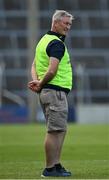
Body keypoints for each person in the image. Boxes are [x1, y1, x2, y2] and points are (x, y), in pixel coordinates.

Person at [28, 10, 74, 177]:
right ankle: (49, 169)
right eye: (65, 23)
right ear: (55, 23)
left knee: (59, 129)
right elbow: (52, 70)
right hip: (55, 91)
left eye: (70, 24)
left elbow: (33, 65)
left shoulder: (43, 41)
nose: (68, 27)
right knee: (54, 130)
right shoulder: (56, 43)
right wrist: (40, 83)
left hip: (49, 90)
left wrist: (37, 83)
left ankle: (56, 165)